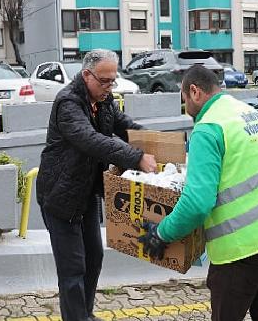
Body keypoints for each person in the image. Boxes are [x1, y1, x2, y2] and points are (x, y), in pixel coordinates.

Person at [139, 65, 258, 321]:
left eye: (184, 99)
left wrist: (162, 233)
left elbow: (197, 203)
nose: (185, 108)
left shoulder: (207, 128)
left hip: (245, 250)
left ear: (194, 92)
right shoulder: (249, 113)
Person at [36, 49, 157, 321]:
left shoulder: (104, 100)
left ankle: (85, 314)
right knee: (72, 268)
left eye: (112, 80)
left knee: (94, 259)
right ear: (86, 75)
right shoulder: (68, 102)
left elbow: (125, 127)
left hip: (87, 193)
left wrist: (157, 143)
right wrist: (136, 157)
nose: (109, 86)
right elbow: (90, 140)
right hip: (60, 196)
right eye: (104, 81)